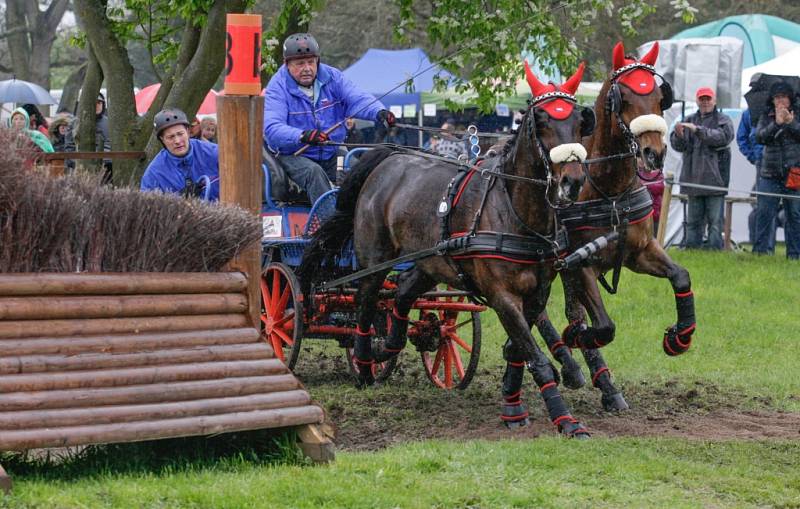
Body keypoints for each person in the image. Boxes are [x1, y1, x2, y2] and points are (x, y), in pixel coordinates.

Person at [263, 33, 396, 204]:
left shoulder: (333, 77)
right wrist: (303, 135)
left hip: (330, 152)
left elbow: (357, 99)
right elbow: (272, 128)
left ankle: (360, 221)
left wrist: (379, 112)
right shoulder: (277, 87)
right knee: (314, 173)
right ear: (287, 64)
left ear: (317, 61)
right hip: (292, 155)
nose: (307, 68)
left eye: (311, 62)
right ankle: (327, 226)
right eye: (300, 63)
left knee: (359, 172)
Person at [670, 87, 734, 250]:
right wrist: (678, 135)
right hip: (693, 181)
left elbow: (722, 138)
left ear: (714, 101)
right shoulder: (688, 119)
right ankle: (692, 251)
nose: (705, 102)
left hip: (716, 181)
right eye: (702, 99)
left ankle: (715, 251)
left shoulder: (724, 120)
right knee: (693, 222)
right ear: (697, 101)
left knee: (715, 222)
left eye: (708, 99)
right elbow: (679, 146)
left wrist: (697, 130)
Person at [754, 81, 800, 259]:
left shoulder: (798, 114)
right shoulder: (766, 116)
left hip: (795, 172)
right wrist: (776, 124)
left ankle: (795, 255)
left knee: (795, 215)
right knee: (764, 213)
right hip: (769, 174)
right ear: (772, 100)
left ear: (790, 99)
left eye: (784, 97)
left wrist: (791, 123)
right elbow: (759, 137)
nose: (780, 101)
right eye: (777, 97)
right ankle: (761, 252)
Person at [140, 108, 220, 201]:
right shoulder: (154, 174)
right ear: (162, 139)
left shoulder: (214, 153)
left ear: (187, 131)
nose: (177, 141)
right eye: (170, 137)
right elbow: (147, 208)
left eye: (180, 134)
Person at [737, 107, 775, 249]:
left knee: (791, 209)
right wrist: (754, 157)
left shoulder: (787, 109)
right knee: (763, 207)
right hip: (762, 164)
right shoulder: (748, 113)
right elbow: (742, 138)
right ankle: (762, 248)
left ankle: (793, 252)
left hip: (786, 164)